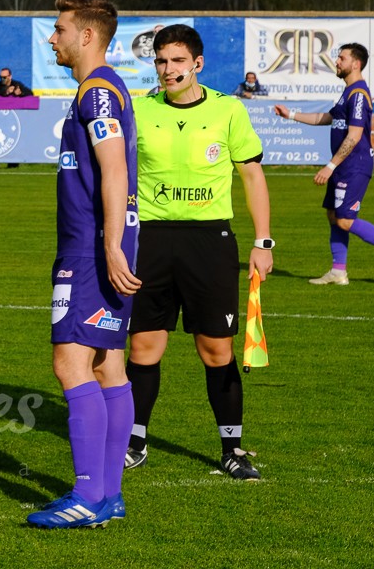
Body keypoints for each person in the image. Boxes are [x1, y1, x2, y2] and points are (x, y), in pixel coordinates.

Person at [125, 24, 273, 482]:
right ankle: (134, 442)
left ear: (197, 64)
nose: (168, 70)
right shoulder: (138, 109)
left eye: (176, 61)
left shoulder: (228, 110)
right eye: (160, 61)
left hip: (209, 242)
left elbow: (251, 176)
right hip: (149, 238)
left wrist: (262, 241)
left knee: (216, 349)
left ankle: (232, 449)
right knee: (145, 346)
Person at [26, 0, 140, 529]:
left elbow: (114, 169)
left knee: (69, 363)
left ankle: (88, 495)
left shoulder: (96, 92)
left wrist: (110, 243)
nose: (53, 38)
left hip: (92, 248)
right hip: (105, 242)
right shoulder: (105, 89)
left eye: (60, 29)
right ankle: (109, 496)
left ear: (87, 36)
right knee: (106, 363)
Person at [274, 43, 374, 284]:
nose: (337, 61)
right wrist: (291, 115)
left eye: (341, 58)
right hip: (344, 166)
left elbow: (355, 136)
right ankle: (338, 271)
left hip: (354, 165)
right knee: (333, 215)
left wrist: (330, 166)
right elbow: (326, 118)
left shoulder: (358, 94)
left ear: (355, 64)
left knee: (345, 219)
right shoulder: (347, 92)